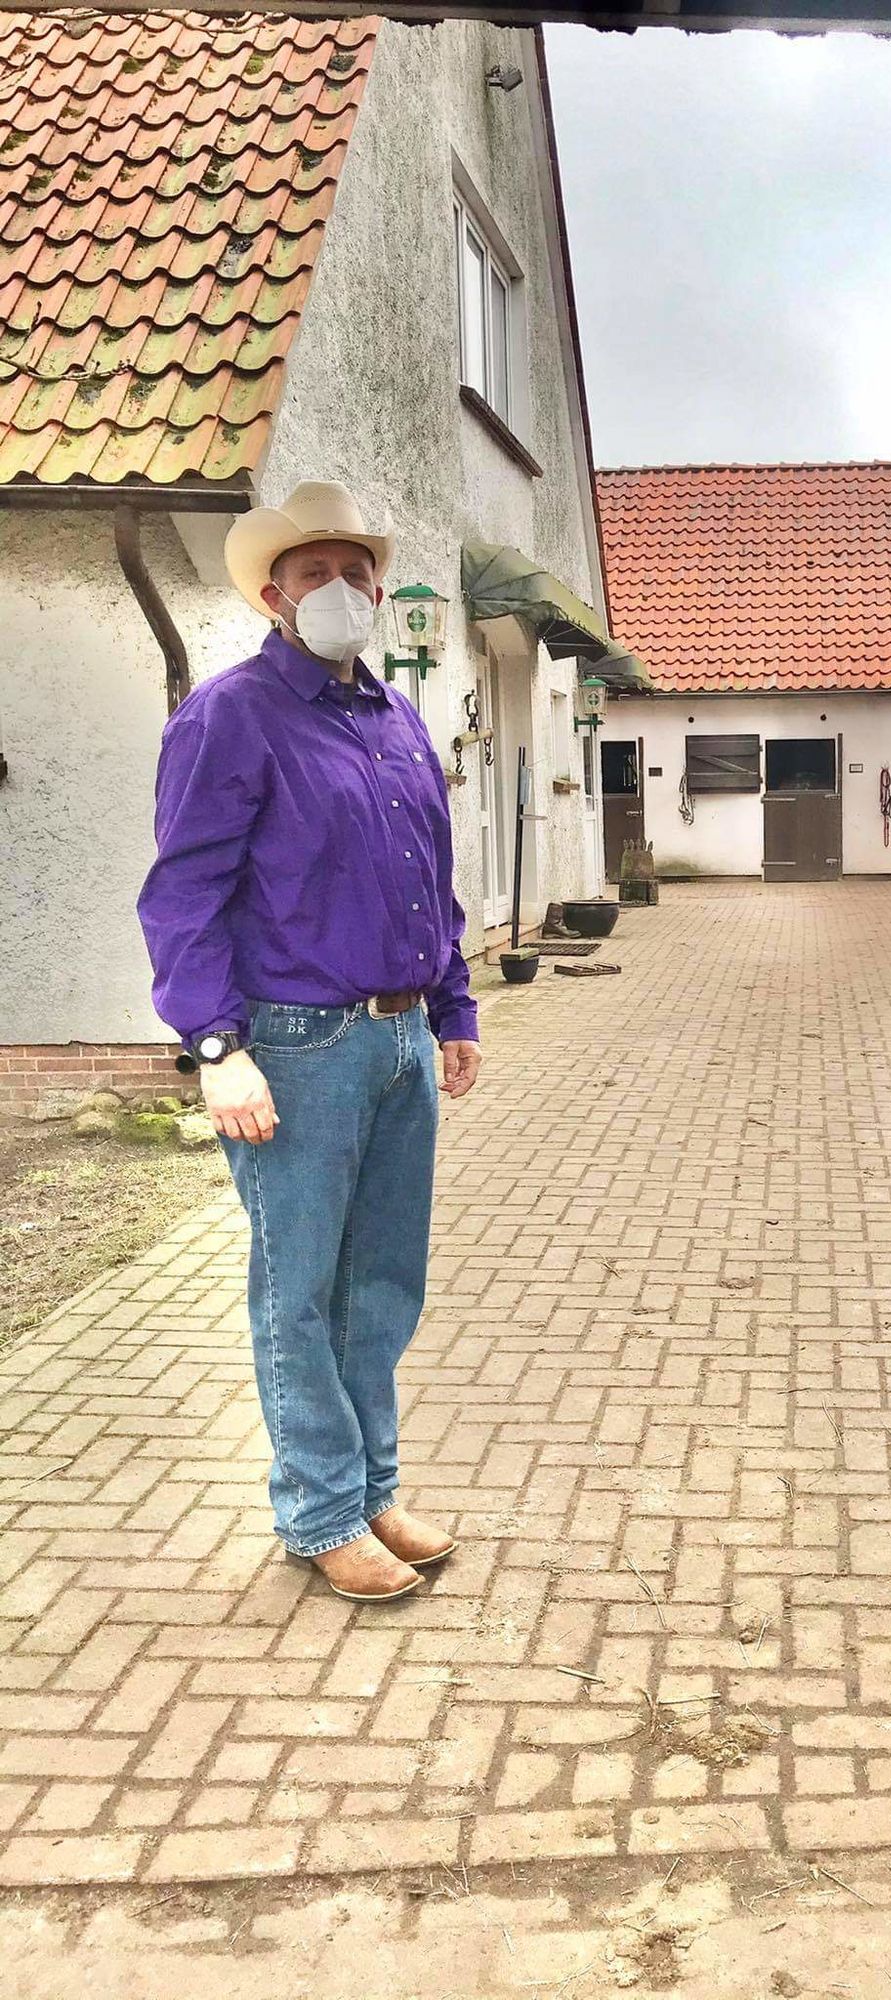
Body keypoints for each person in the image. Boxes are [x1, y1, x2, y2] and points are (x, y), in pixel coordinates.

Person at [138, 481, 482, 1603]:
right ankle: (321, 1510)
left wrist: (454, 1008)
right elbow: (184, 892)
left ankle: (373, 1488)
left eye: (355, 572)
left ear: (380, 590)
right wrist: (215, 1046)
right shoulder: (230, 716)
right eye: (314, 573)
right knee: (301, 1289)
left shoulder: (394, 718)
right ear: (274, 596)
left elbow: (430, 875)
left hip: (399, 1038)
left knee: (380, 1284)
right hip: (295, 1045)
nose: (339, 589)